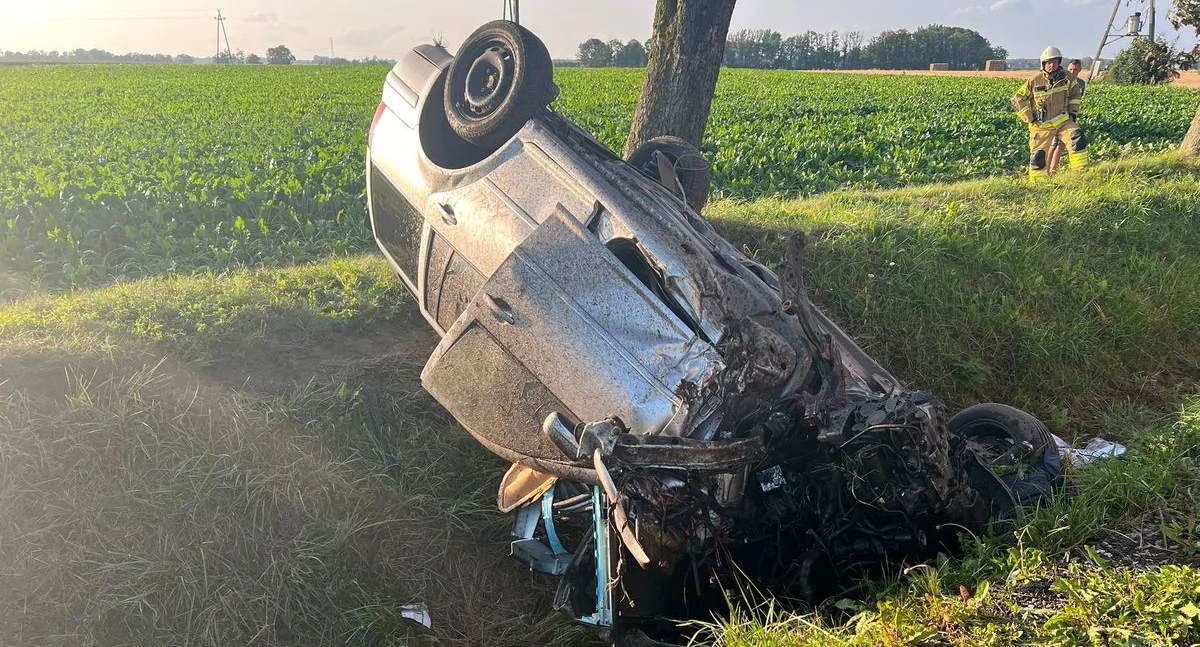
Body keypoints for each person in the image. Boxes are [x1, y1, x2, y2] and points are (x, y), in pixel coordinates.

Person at [1012, 47, 1087, 178]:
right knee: (1038, 158)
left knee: (1077, 137)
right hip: (1041, 125)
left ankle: (1080, 175)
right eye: (1048, 63)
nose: (1052, 65)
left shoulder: (1067, 77)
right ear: (1043, 64)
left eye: (1054, 62)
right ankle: (1038, 186)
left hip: (1063, 121)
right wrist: (1031, 118)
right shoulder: (1034, 81)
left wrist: (1072, 113)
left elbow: (1075, 94)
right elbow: (1017, 99)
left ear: (1059, 63)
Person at [1048, 59, 1087, 173]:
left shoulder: (1081, 83)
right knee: (1053, 145)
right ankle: (1048, 169)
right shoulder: (1062, 81)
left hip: (1070, 118)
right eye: (1070, 69)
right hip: (1057, 116)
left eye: (1075, 70)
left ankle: (1052, 170)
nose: (1072, 71)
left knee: (1061, 145)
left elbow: (1077, 100)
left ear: (1079, 70)